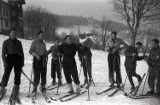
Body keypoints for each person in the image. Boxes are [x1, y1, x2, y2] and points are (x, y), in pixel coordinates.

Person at [0, 28, 24, 100]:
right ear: (10, 33)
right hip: (9, 59)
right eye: (13, 32)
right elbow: (3, 53)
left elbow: (22, 53)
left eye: (15, 33)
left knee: (17, 74)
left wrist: (22, 63)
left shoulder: (19, 42)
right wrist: (5, 62)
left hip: (17, 58)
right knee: (6, 74)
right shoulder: (6, 42)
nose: (14, 34)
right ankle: (2, 88)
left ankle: (16, 87)